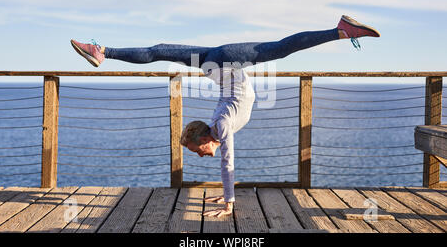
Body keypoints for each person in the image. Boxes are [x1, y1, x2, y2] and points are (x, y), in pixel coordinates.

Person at [70, 15, 380, 218]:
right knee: (160, 49)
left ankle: (342, 31)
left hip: (222, 61)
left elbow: (227, 161)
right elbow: (224, 158)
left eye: (196, 150)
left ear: (203, 137)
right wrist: (227, 196)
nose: (202, 155)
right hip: (214, 63)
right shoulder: (219, 121)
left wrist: (229, 201)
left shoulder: (221, 125)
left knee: (282, 48)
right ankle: (102, 51)